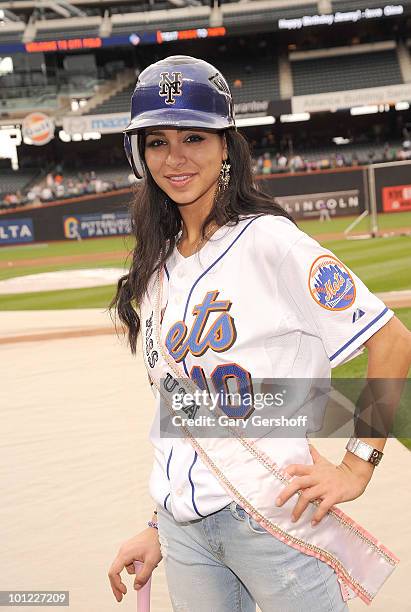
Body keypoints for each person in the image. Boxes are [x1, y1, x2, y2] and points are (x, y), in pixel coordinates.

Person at [108, 55, 411, 611]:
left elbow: (393, 341)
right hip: (185, 533)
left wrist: (356, 465)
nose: (174, 157)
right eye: (157, 141)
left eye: (193, 137)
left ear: (226, 145)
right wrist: (157, 522)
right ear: (139, 154)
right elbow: (181, 417)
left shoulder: (270, 242)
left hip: (269, 518)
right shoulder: (153, 273)